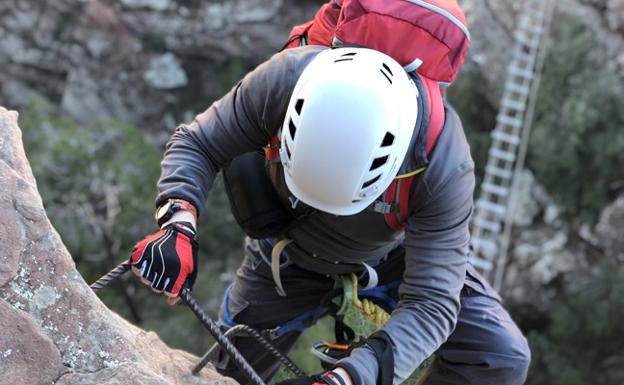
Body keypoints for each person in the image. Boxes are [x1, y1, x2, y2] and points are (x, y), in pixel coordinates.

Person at [130, 46, 531, 385]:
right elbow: (199, 142)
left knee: (498, 357)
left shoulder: (442, 158)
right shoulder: (284, 80)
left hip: (396, 256)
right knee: (234, 370)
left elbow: (432, 303)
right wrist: (177, 222)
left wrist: (349, 377)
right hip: (289, 254)